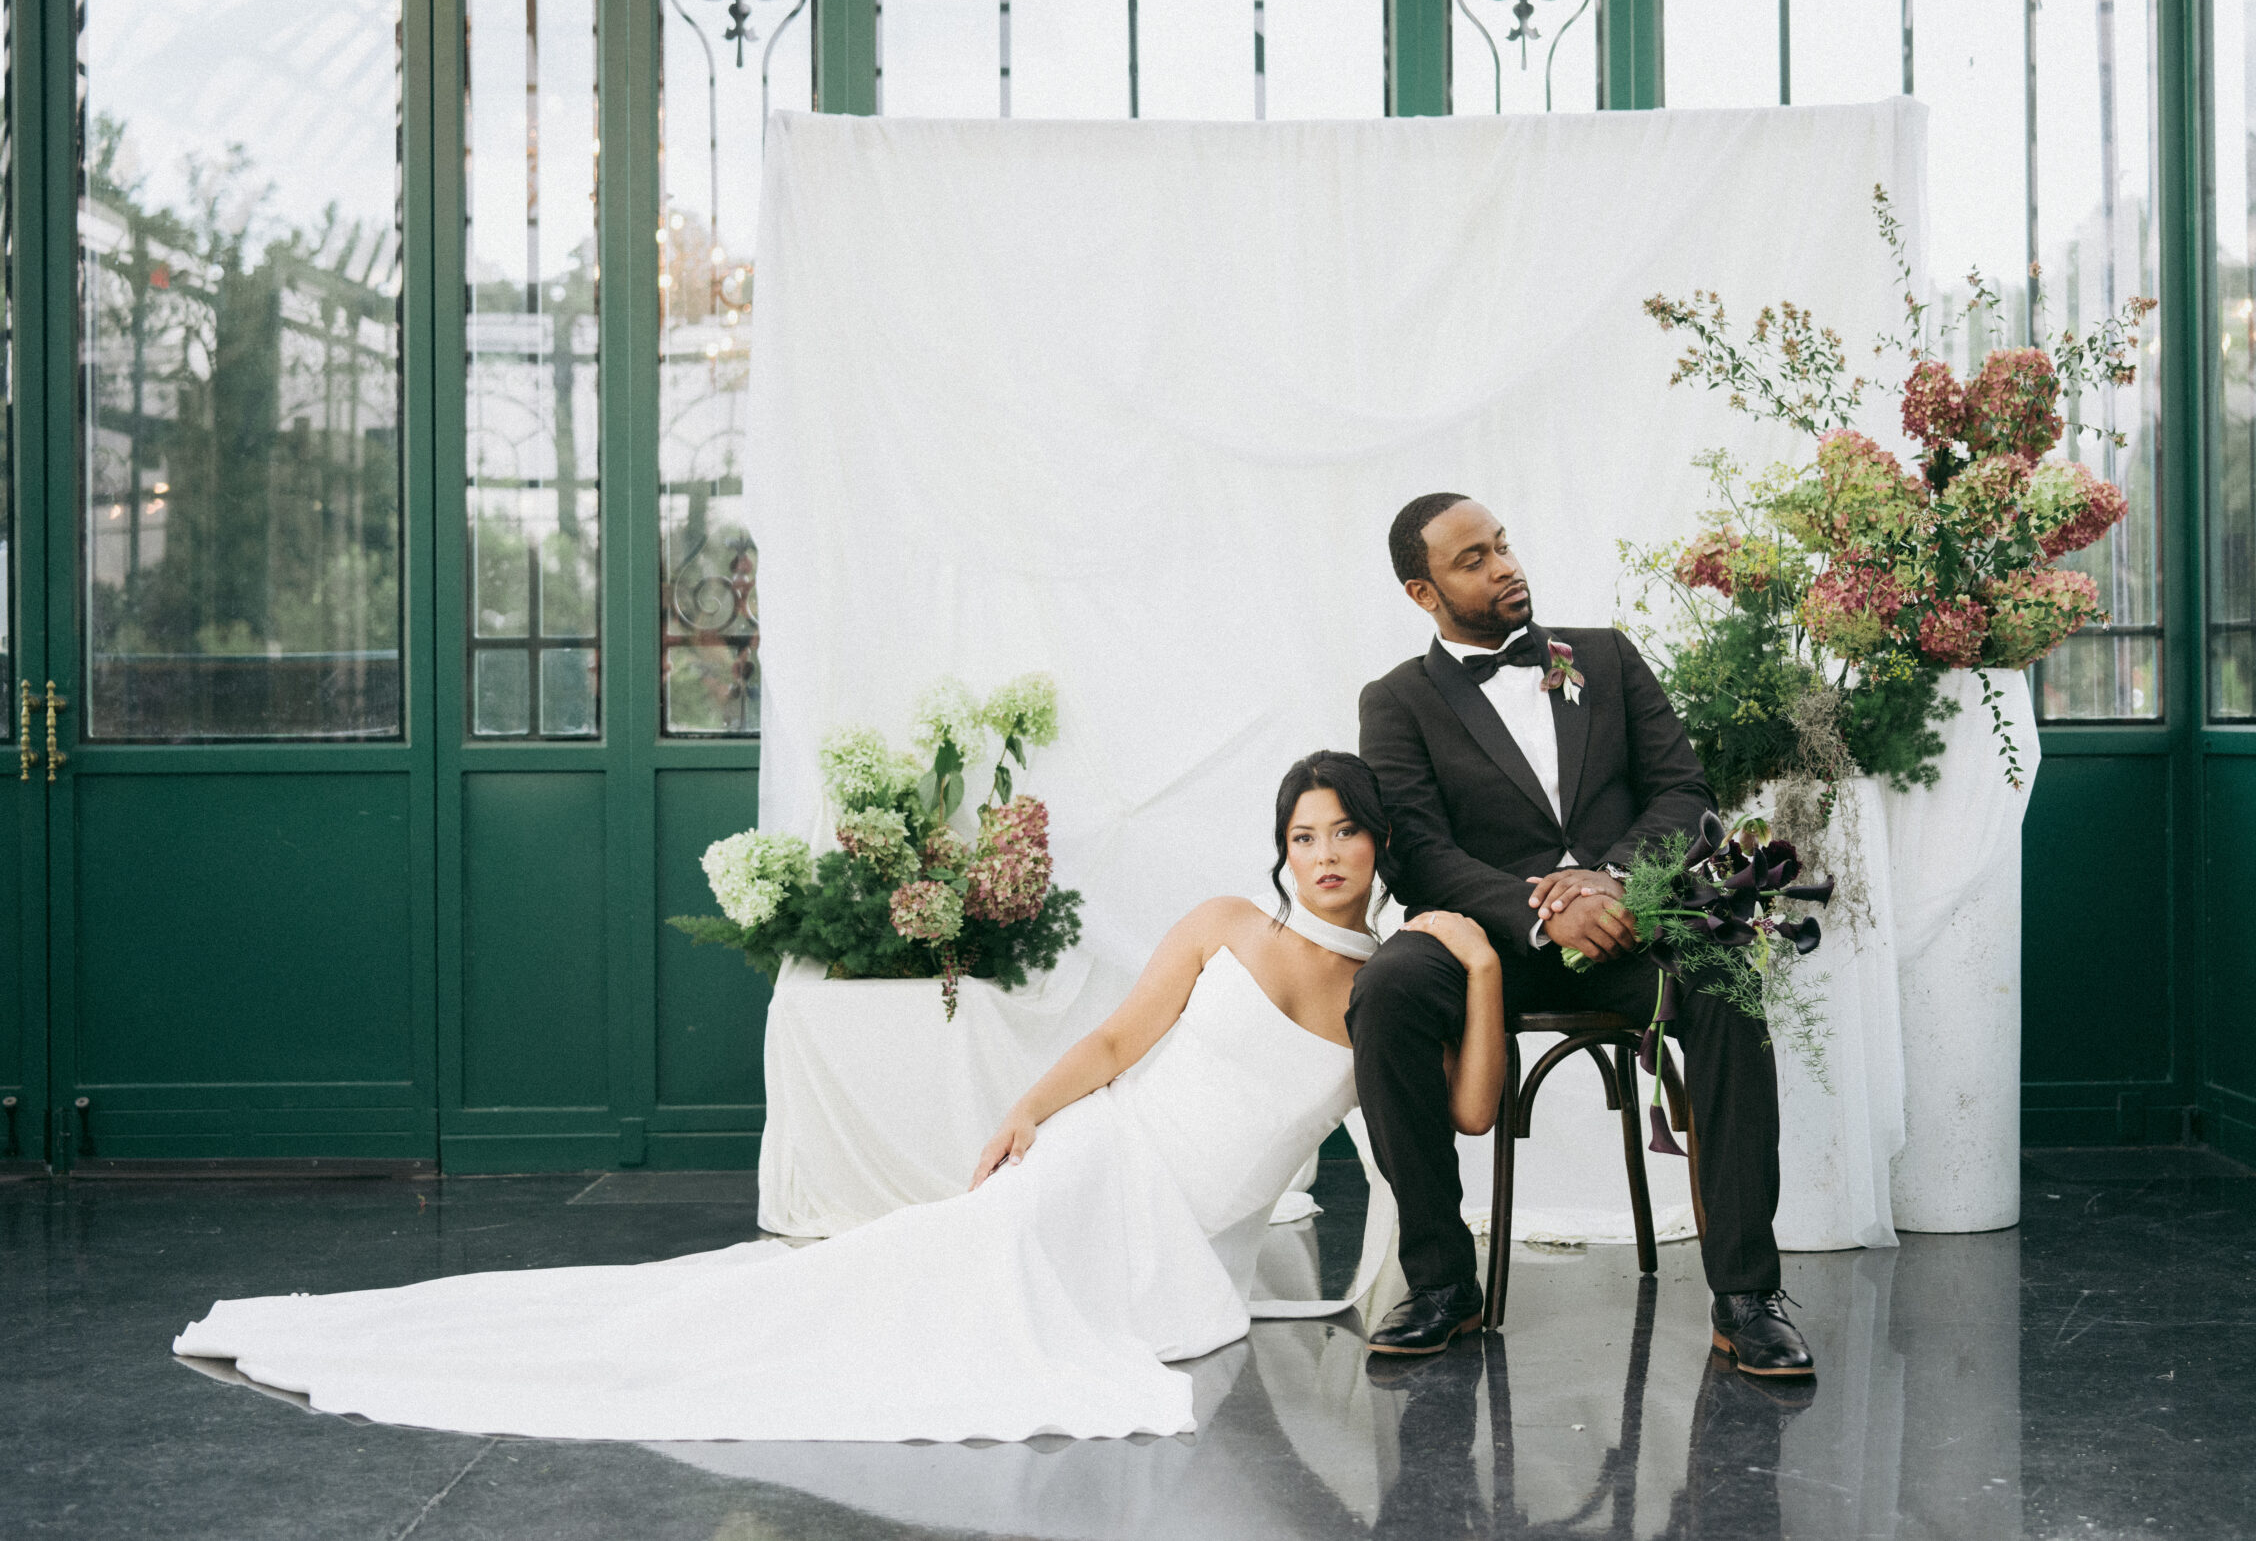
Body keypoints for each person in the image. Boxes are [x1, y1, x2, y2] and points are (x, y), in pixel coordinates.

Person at [171, 753, 1509, 1442]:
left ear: (1378, 843)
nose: (1324, 853)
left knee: (959, 1306)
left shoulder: (1395, 982)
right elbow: (1112, 1039)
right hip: (1114, 1161)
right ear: (1278, 851)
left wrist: (1485, 961)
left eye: (1343, 830)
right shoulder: (1226, 922)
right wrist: (1028, 1111)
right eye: (1302, 833)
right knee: (897, 1289)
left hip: (1192, 1244)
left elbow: (1461, 1115)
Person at [1352, 493, 1814, 1377]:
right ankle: (1443, 1281)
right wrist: (1543, 909)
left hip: (1633, 926)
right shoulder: (1397, 701)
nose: (1505, 567)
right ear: (1423, 591)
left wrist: (1616, 884)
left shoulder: (1600, 655)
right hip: (1495, 948)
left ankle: (1747, 1296)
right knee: (1388, 989)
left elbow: (1685, 792)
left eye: (1504, 545)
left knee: (1724, 973)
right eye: (1474, 560)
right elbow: (1416, 849)